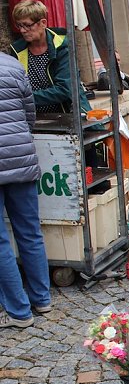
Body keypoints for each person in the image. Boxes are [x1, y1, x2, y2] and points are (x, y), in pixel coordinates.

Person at [0, 53, 51, 328]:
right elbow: (29, 113)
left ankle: (18, 311)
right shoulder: (12, 65)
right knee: (30, 232)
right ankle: (41, 299)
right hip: (20, 157)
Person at [9, 0, 92, 115]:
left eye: (27, 25)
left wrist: (26, 99)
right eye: (19, 25)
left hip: (69, 113)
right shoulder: (17, 50)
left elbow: (65, 89)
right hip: (34, 116)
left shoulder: (63, 46)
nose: (23, 30)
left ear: (43, 23)